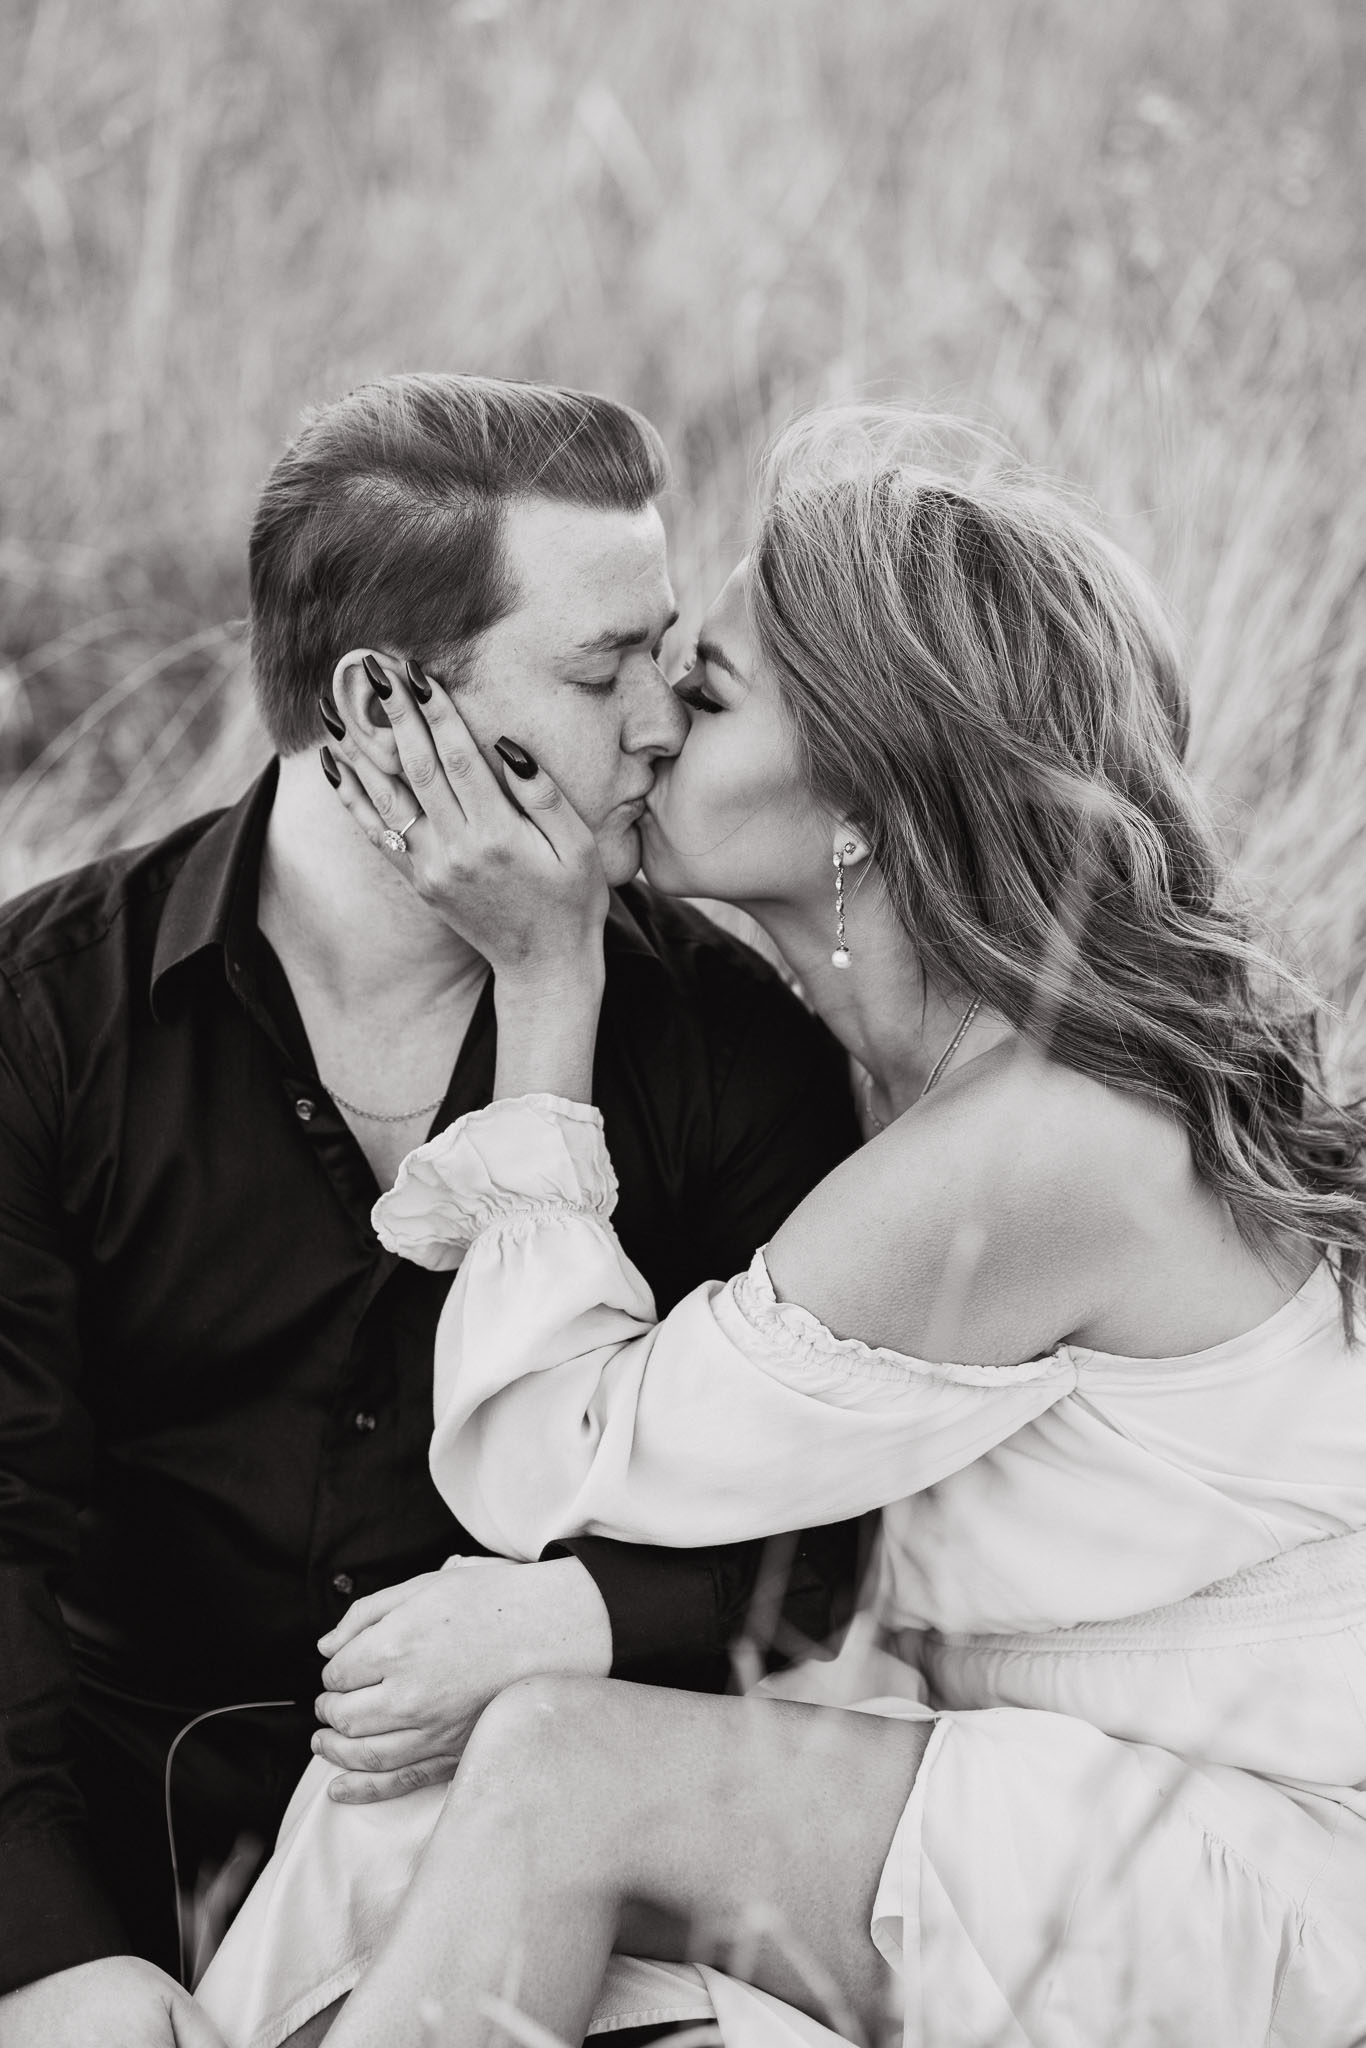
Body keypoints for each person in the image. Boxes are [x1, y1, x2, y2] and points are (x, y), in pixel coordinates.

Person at [211, 403, 1366, 2048]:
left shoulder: (1031, 1143)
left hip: (1264, 1865)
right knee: (418, 1807)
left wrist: (546, 975)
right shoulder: (915, 1084)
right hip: (1074, 1793)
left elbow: (546, 1462)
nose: (647, 726)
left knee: (560, 1765)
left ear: (864, 798)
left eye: (703, 692)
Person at [0, 376, 863, 2048]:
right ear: (380, 703)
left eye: (665, 660)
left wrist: (587, 1612)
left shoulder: (722, 1039)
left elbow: (826, 1528)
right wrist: (47, 1959)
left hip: (540, 1904)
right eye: (601, 674)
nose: (661, 726)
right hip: (121, 1884)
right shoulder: (47, 1018)